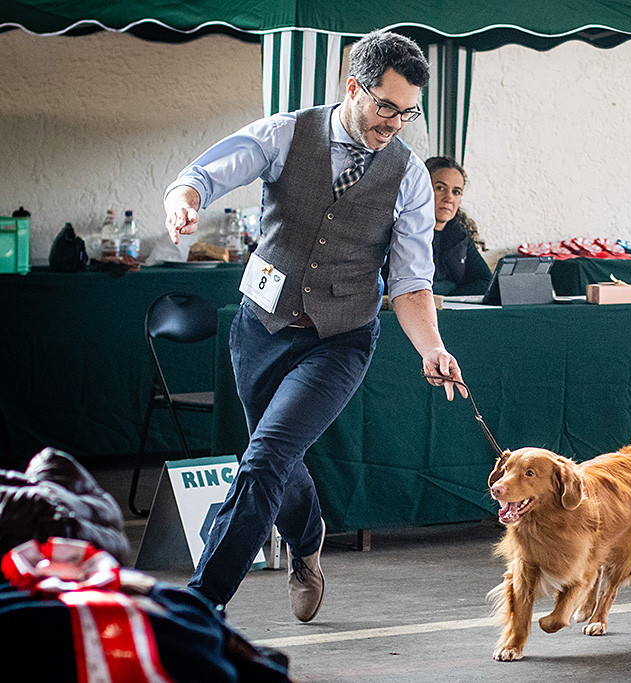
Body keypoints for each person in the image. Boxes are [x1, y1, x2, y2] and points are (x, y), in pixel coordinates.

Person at [163, 30, 467, 623]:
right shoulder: (284, 134)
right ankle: (307, 541)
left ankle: (200, 605)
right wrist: (185, 198)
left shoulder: (406, 176)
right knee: (273, 457)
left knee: (265, 458)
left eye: (409, 113)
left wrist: (431, 346)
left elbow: (409, 280)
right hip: (261, 327)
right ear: (354, 88)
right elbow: (205, 173)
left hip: (340, 340)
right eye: (386, 107)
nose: (395, 124)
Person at [424, 157, 492, 295]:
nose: (449, 198)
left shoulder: (459, 235)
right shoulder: (402, 232)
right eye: (440, 188)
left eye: (456, 192)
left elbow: (486, 282)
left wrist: (448, 295)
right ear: (421, 189)